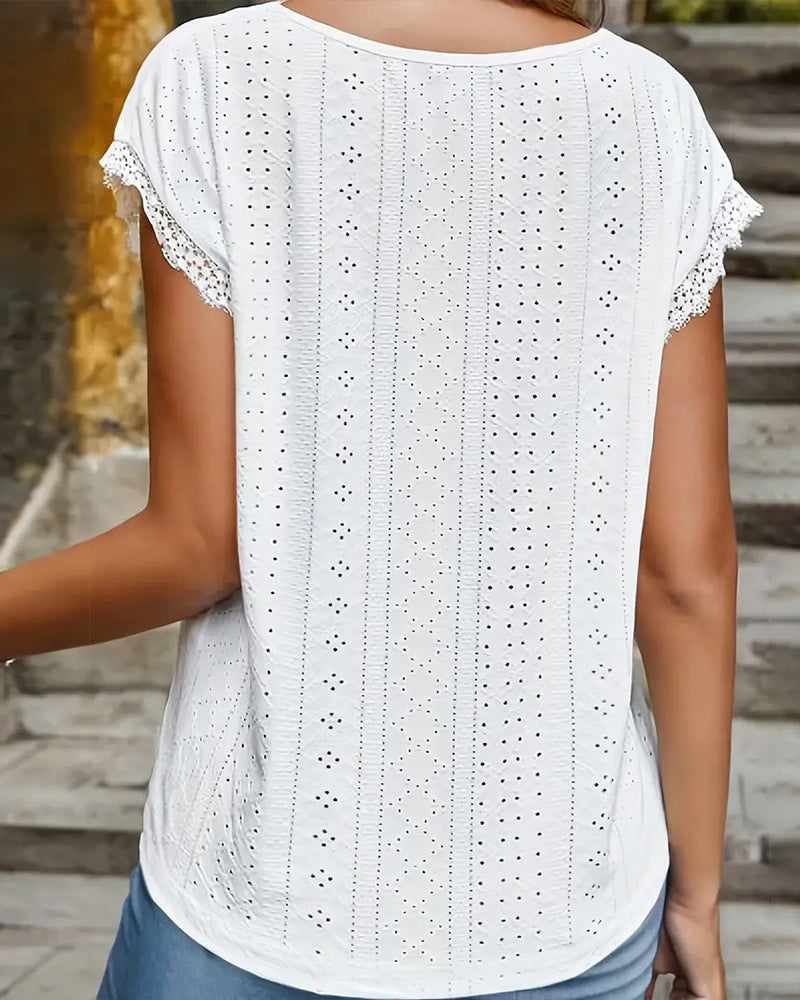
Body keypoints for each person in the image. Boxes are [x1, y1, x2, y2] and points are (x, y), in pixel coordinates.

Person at [0, 0, 762, 998]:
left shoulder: (216, 78)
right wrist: (693, 897)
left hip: (252, 901)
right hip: (560, 910)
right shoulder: (650, 116)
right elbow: (685, 572)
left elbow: (194, 546)